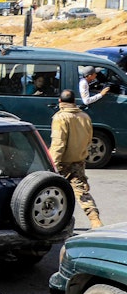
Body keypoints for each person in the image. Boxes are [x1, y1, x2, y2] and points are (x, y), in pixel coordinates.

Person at [50, 89, 102, 229]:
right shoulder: (85, 117)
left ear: (60, 101)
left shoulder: (60, 118)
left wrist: (52, 165)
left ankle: (55, 224)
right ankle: (95, 219)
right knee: (81, 192)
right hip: (78, 161)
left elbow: (58, 144)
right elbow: (89, 139)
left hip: (61, 163)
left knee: (54, 194)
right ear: (74, 101)